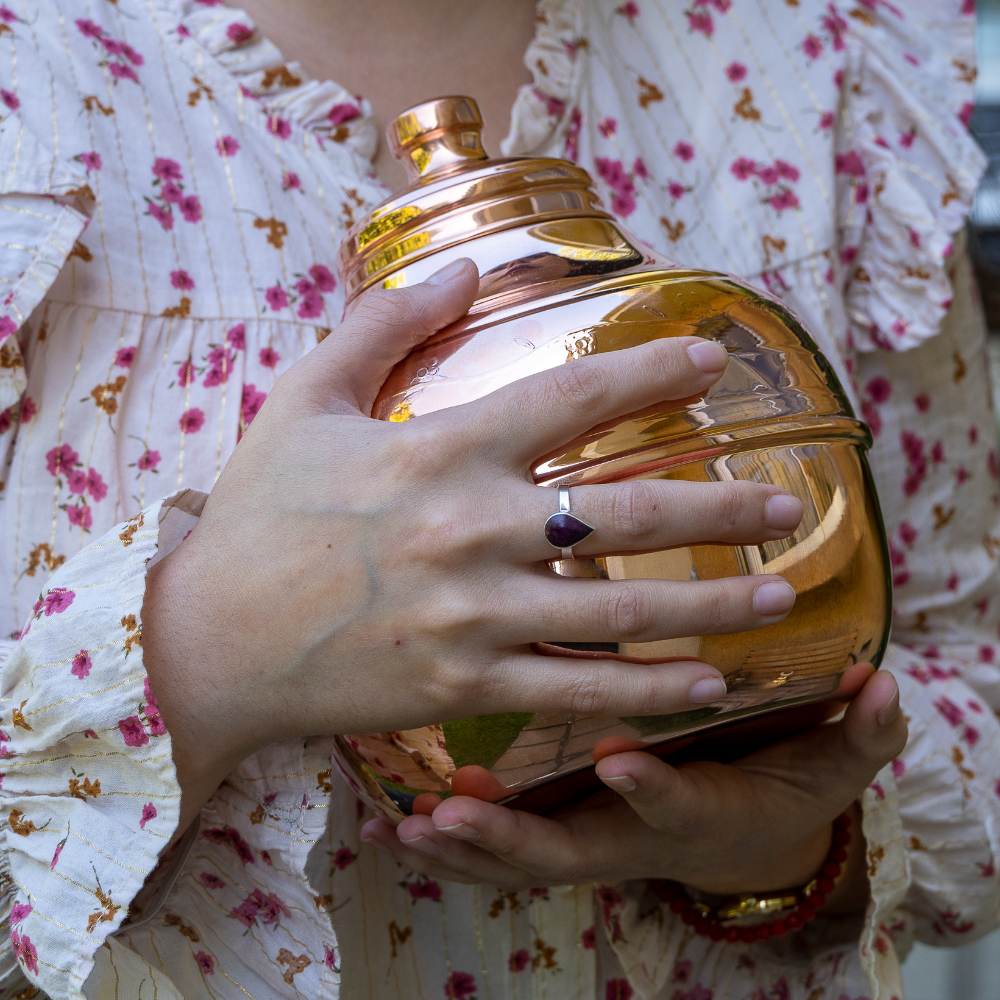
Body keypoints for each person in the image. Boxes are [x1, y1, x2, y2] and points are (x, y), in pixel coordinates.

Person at [0, 1, 994, 998]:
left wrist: (776, 857)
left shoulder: (808, 66)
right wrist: (211, 655)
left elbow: (966, 664)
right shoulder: (28, 95)